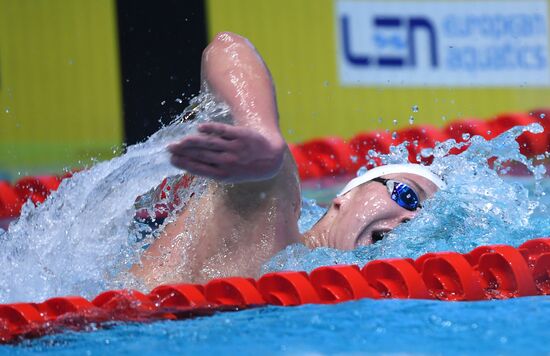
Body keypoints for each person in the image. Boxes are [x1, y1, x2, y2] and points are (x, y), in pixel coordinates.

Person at [130, 32, 444, 288]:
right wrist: (261, 130)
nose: (412, 220)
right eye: (407, 195)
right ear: (343, 199)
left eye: (428, 223)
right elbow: (228, 48)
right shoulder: (271, 218)